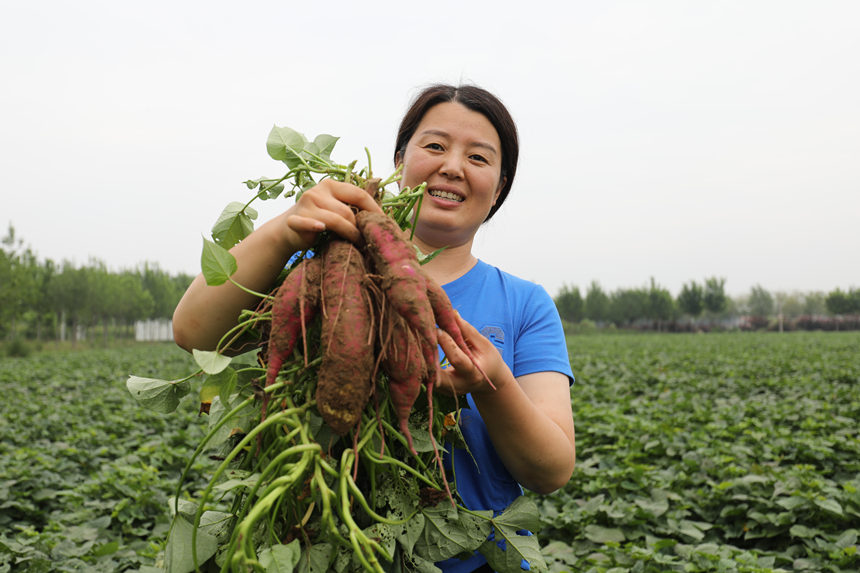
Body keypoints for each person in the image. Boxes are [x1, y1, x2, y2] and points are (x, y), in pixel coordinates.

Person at [172, 84, 576, 573]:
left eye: (479, 157)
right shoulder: (315, 264)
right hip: (329, 548)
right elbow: (194, 332)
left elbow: (551, 470)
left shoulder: (525, 304)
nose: (452, 166)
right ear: (400, 160)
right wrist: (284, 229)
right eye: (434, 146)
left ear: (499, 187)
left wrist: (492, 387)